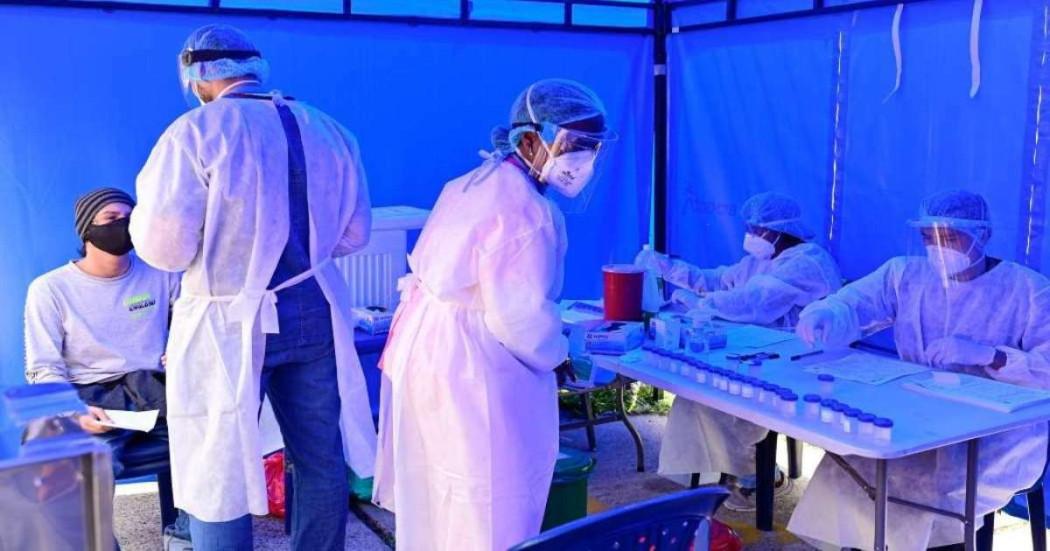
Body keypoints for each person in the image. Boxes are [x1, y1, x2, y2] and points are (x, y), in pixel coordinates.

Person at [130, 24, 375, 550]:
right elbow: (355, 235)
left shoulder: (196, 133)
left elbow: (164, 247)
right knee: (319, 456)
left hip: (228, 323)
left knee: (215, 461)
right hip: (314, 313)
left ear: (197, 77)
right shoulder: (330, 130)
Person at [372, 79, 615, 551]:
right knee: (490, 496)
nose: (582, 160)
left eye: (592, 147)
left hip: (429, 351)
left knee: (435, 494)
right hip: (474, 363)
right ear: (530, 139)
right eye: (574, 145)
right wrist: (560, 353)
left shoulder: (474, 182)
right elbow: (520, 320)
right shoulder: (527, 211)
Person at [790, 190, 1050, 550]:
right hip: (917, 409)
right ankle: (859, 543)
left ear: (982, 235)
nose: (937, 248)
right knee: (859, 462)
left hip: (996, 428)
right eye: (929, 238)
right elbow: (855, 302)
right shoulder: (906, 274)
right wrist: (826, 312)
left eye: (950, 238)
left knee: (938, 487)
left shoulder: (1028, 290)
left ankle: (937, 543)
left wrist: (993, 357)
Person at [636, 192, 842, 510]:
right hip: (760, 351)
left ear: (780, 230)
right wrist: (670, 269)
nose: (751, 235)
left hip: (801, 360)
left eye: (758, 229)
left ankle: (758, 475)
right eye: (750, 228)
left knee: (726, 397)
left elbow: (754, 301)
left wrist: (702, 304)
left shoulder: (807, 263)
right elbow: (720, 281)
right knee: (695, 394)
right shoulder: (758, 262)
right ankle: (715, 473)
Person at [23, 187, 186, 546]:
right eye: (112, 219)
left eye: (130, 218)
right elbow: (43, 368)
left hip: (155, 391)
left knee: (208, 444)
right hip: (90, 398)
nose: (123, 226)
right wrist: (73, 412)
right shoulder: (49, 290)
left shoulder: (163, 275)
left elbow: (191, 327)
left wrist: (179, 349)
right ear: (87, 230)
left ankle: (184, 537)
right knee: (85, 471)